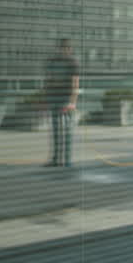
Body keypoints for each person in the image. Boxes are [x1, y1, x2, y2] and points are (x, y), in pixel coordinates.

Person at [44, 38, 80, 167]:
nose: (64, 50)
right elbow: (47, 80)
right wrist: (46, 99)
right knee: (55, 131)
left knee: (67, 130)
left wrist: (72, 102)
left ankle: (67, 159)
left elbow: (75, 84)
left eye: (66, 48)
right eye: (62, 48)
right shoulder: (52, 62)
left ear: (69, 49)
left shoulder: (72, 63)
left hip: (66, 99)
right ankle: (55, 158)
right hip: (54, 98)